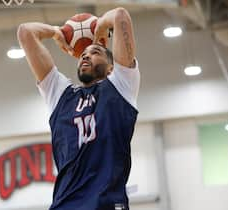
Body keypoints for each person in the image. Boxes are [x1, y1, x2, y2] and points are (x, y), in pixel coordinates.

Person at [17, 7, 140, 210]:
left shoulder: (121, 85)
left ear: (111, 67)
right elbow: (25, 32)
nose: (86, 56)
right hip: (66, 205)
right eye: (83, 53)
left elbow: (120, 16)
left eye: (96, 52)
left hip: (106, 204)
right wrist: (57, 32)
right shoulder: (60, 95)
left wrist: (100, 25)